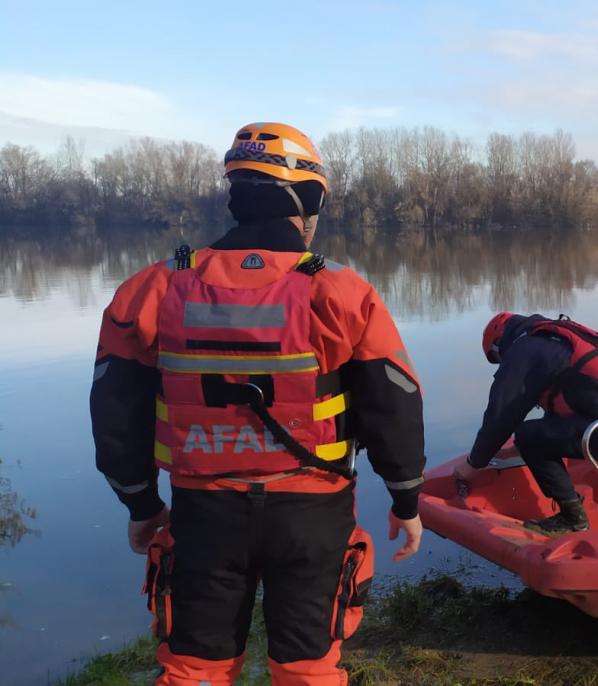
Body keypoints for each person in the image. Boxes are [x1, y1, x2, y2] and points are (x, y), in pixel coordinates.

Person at [89, 122, 426, 684]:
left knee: (194, 668)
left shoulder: (154, 288)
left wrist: (140, 504)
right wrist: (406, 499)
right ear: (310, 198)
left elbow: (114, 409)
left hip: (203, 510)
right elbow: (394, 403)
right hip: (313, 513)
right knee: (308, 668)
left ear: (235, 195)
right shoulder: (340, 292)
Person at [453, 313, 598, 535]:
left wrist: (474, 463)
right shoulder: (557, 340)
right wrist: (511, 451)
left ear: (499, 341)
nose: (501, 360)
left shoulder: (523, 350)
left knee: (527, 435)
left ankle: (572, 519)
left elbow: (501, 415)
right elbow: (563, 414)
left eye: (496, 356)